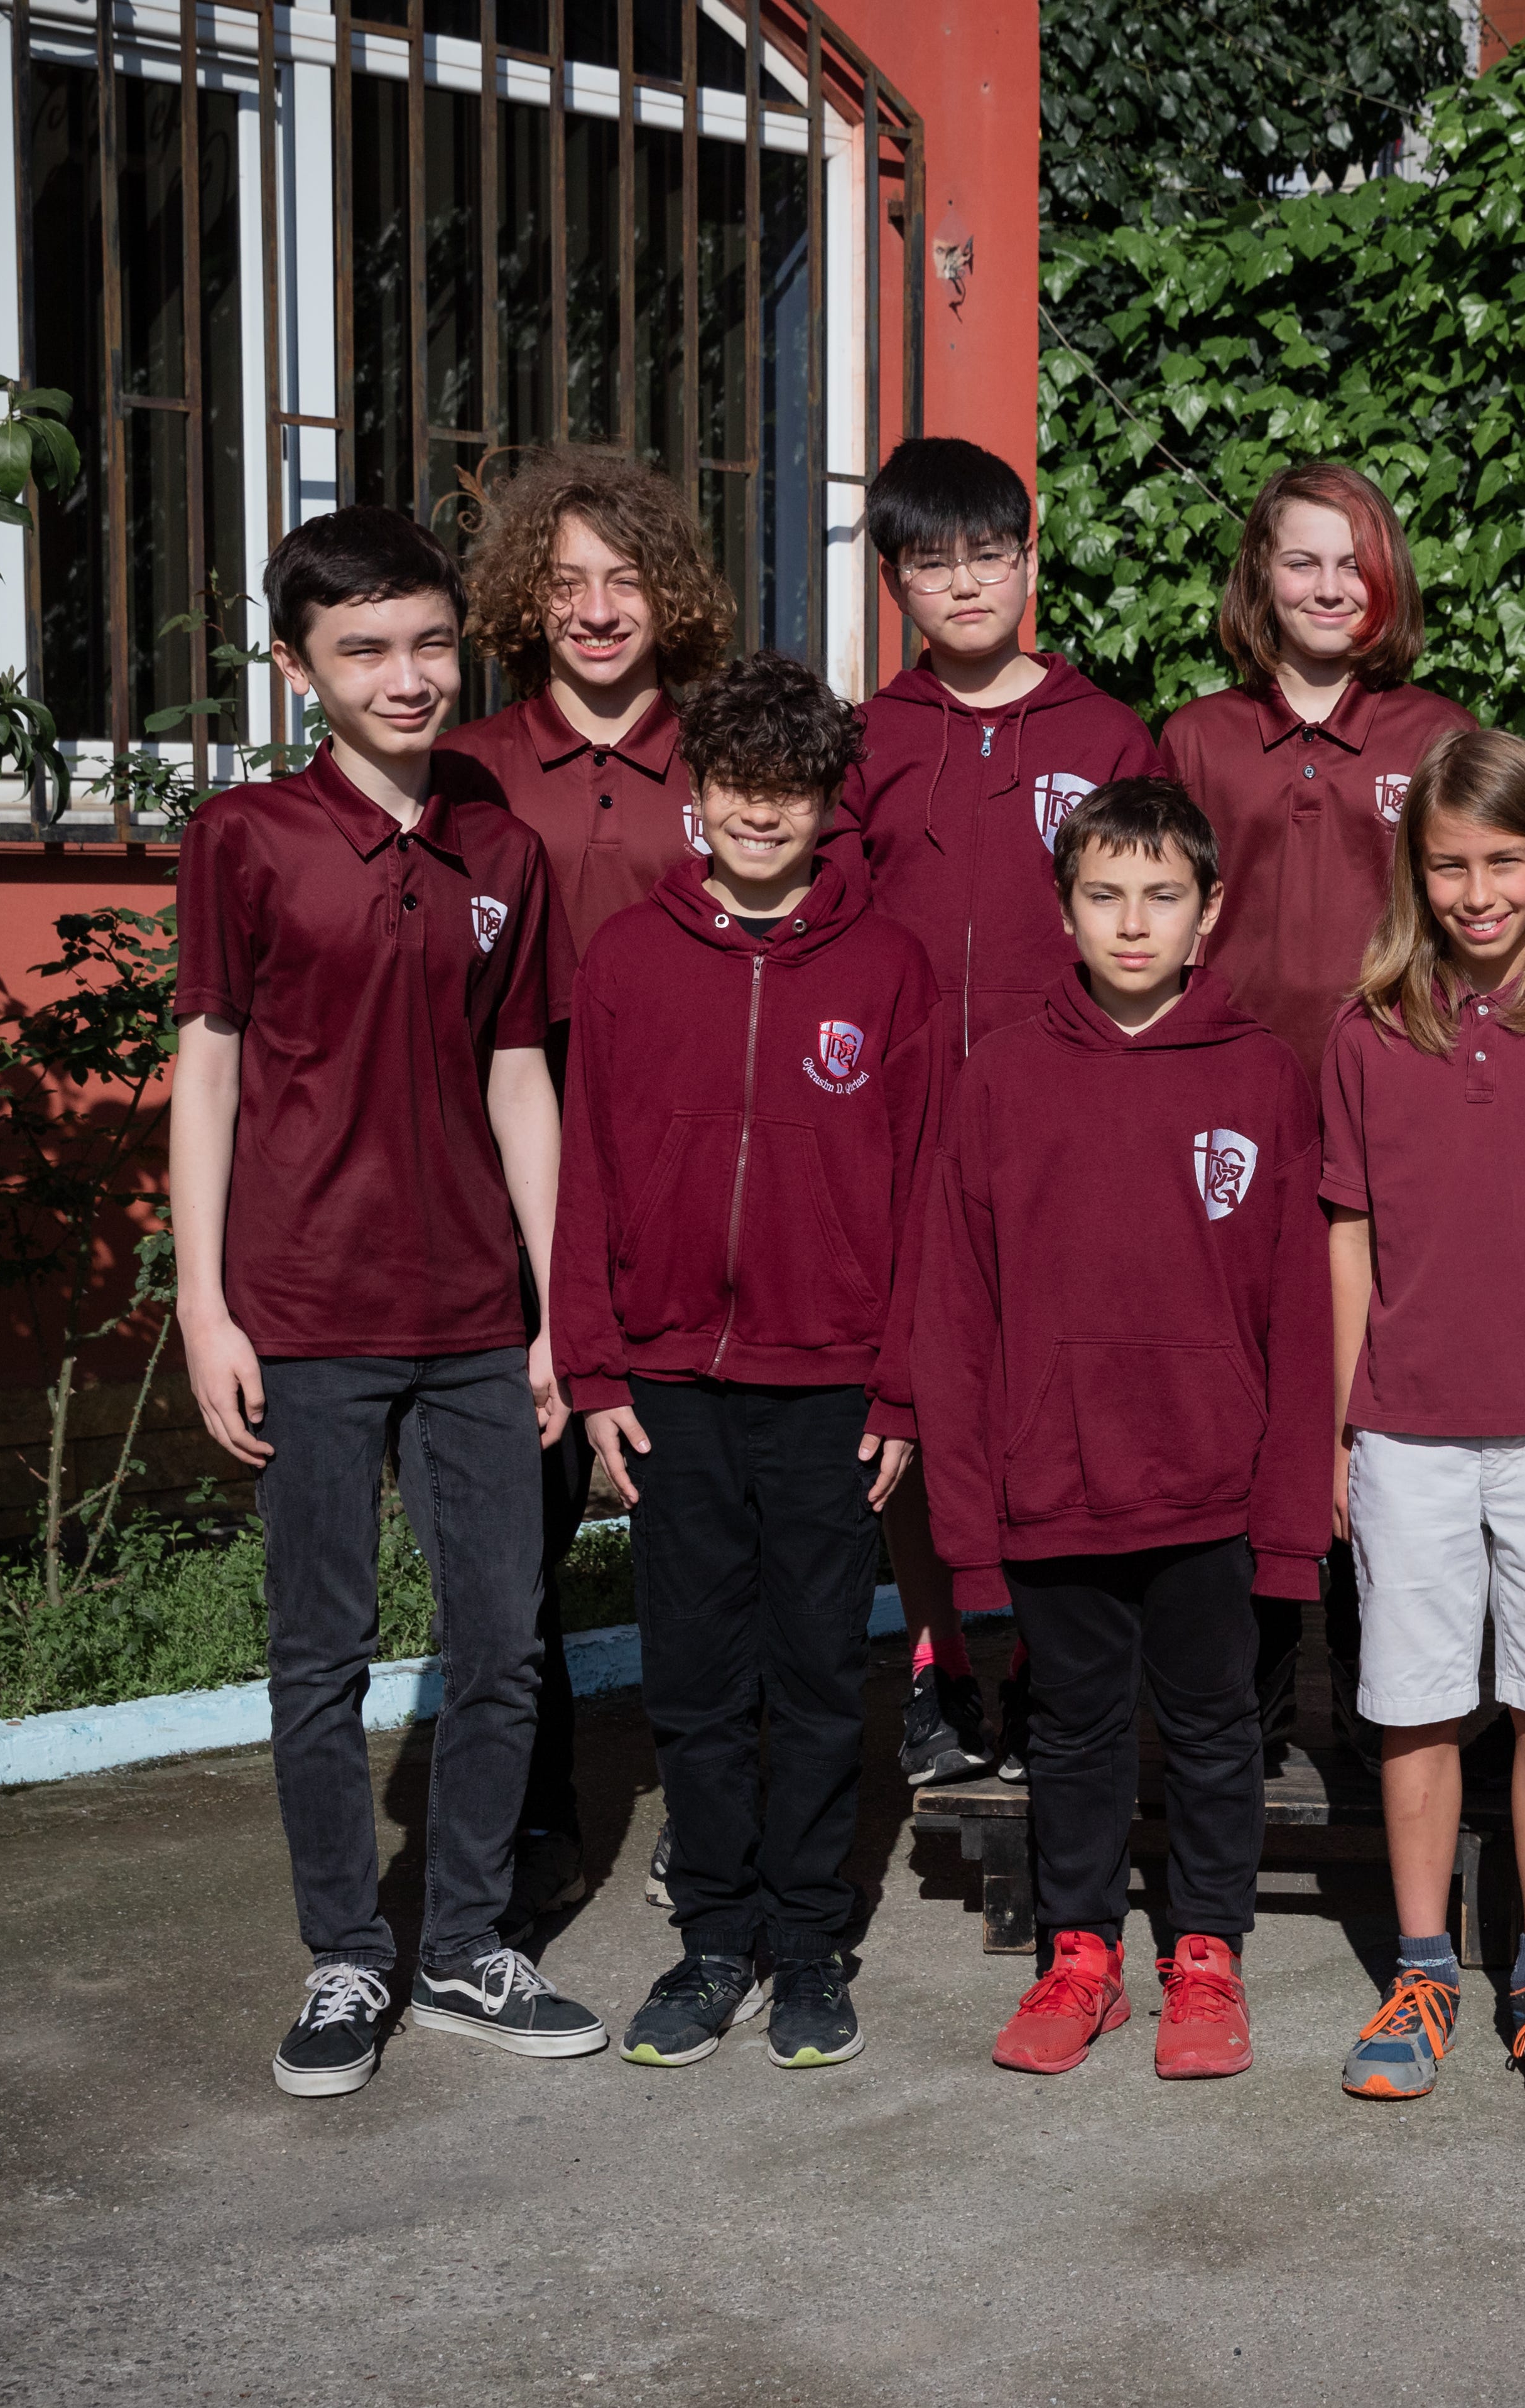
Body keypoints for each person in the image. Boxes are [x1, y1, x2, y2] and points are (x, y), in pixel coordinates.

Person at [171, 506, 605, 2097]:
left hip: (477, 1315)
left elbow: (519, 1077)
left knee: (504, 1638)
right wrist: (205, 1305)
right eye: (362, 650)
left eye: (428, 643)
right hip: (304, 1312)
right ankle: (347, 1955)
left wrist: (558, 1309)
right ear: (299, 670)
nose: (405, 676)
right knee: (322, 1655)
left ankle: (468, 1944)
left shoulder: (505, 848)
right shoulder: (245, 839)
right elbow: (209, 1068)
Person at [551, 652, 936, 2071]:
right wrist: (595, 1372)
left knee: (820, 1675)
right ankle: (715, 1939)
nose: (758, 813)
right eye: (734, 785)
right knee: (696, 1680)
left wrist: (899, 1383)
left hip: (829, 1381)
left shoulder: (887, 966)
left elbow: (923, 1190)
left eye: (787, 789)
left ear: (827, 802)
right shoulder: (626, 958)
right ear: (697, 792)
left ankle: (809, 1940)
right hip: (668, 1384)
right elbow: (586, 1173)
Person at [913, 776, 1330, 2081]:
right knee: (1073, 1734)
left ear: (1210, 910)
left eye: (1161, 896)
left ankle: (1205, 1957)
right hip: (1056, 1484)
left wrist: (1288, 1525)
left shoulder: (1262, 1074)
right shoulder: (1001, 1076)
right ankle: (1080, 1954)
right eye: (1104, 895)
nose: (1132, 923)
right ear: (1064, 908)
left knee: (1215, 1734)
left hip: (1213, 1489)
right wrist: (969, 1536)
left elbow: (1300, 1317)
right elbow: (955, 1314)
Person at [842, 434, 1168, 1791]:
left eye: (990, 555)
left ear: (1031, 563)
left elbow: (1152, 926)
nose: (966, 584)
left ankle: (1044, 1658)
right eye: (933, 563)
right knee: (921, 1396)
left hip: (1062, 1124)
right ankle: (937, 1661)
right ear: (893, 584)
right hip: (905, 1131)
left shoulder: (1108, 736)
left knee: (1049, 1392)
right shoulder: (868, 741)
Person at [1325, 730, 1525, 2109]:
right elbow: (1346, 1236)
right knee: (1415, 1708)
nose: (1475, 892)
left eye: (1503, 861)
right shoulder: (1364, 1031)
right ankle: (1421, 1972)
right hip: (1406, 1430)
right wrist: (1342, 1425)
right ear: (1414, 871)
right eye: (1448, 865)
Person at [443, 445, 738, 1928]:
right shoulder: (472, 766)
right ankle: (537, 1811)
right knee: (521, 1517)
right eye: (565, 583)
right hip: (514, 1172)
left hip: (692, 1169)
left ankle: (714, 1809)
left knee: (703, 1516)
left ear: (668, 593)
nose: (598, 609)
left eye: (624, 579)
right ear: (526, 600)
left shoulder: (724, 755)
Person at [1161, 463, 1479, 1769]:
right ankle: (1238, 1702)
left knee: (1372, 1399)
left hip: (1389, 1120)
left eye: (1355, 563)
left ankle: (1379, 1697)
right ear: (1259, 577)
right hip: (1229, 1124)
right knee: (1241, 1400)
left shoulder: (1435, 735)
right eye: (1303, 560)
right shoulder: (1194, 739)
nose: (1330, 586)